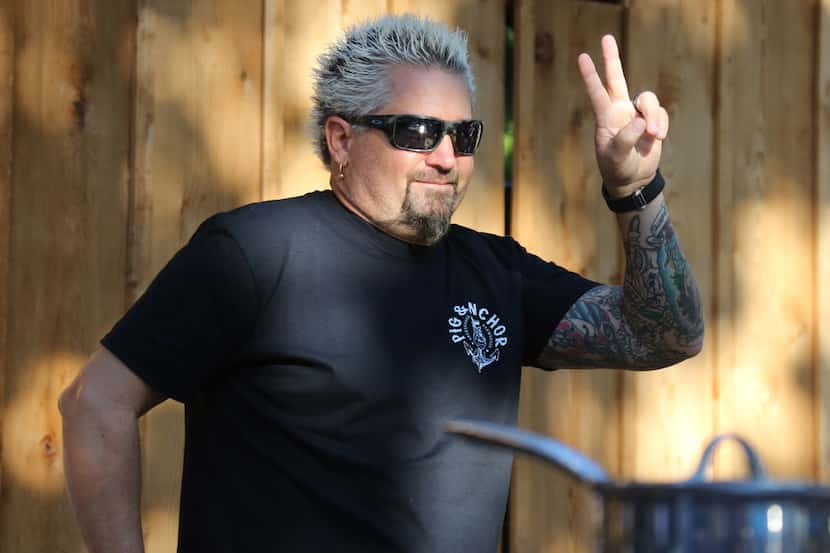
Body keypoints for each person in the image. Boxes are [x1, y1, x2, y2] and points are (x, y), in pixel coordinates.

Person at [59, 14, 703, 553]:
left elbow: (663, 336)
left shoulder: (496, 272)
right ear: (341, 140)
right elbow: (94, 404)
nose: (445, 157)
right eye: (415, 131)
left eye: (463, 134)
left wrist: (633, 187)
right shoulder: (252, 253)